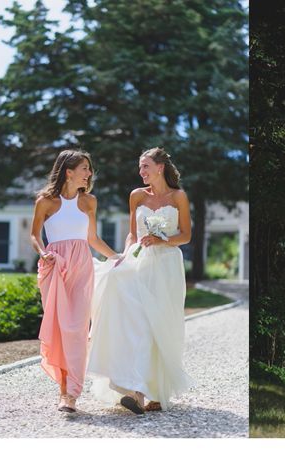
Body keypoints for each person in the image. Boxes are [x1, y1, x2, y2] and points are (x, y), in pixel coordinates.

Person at [87, 147, 193, 414]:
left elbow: (186, 235)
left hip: (167, 266)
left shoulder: (178, 196)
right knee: (138, 321)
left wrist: (162, 240)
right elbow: (132, 235)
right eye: (140, 167)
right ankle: (135, 390)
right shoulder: (136, 195)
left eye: (145, 166)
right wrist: (124, 256)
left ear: (160, 167)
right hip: (140, 262)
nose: (141, 171)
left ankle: (156, 391)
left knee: (161, 326)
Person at [30, 150, 121, 412]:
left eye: (89, 169)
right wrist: (43, 252)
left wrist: (117, 258)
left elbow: (92, 239)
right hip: (54, 267)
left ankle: (71, 394)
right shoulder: (45, 201)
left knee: (78, 330)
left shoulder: (89, 201)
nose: (89, 173)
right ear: (68, 172)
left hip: (81, 266)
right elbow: (35, 235)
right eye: (84, 168)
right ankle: (62, 390)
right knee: (60, 330)